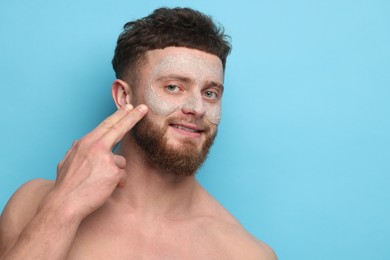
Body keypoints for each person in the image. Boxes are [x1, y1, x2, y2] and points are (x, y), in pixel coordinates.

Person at [0, 7, 277, 259]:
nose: (198, 108)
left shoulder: (245, 253)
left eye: (210, 93)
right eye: (173, 87)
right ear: (123, 96)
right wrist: (62, 210)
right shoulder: (33, 204)